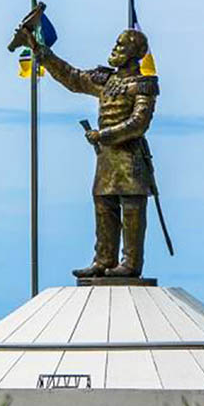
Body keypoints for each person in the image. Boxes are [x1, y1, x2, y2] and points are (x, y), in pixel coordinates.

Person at [22, 26, 159, 278]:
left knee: (131, 210)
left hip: (130, 159)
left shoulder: (143, 85)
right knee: (104, 205)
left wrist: (103, 135)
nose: (115, 49)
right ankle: (104, 259)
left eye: (122, 46)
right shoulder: (106, 80)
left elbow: (139, 123)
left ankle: (130, 263)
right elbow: (72, 78)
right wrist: (41, 51)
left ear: (135, 53)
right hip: (106, 159)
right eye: (116, 44)